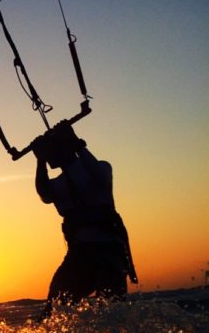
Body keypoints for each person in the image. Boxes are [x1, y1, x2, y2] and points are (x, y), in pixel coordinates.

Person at [32, 121, 137, 318]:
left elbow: (98, 176)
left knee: (114, 312)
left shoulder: (100, 169)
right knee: (53, 309)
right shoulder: (59, 184)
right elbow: (44, 194)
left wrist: (75, 142)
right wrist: (40, 160)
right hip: (80, 255)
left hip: (109, 253)